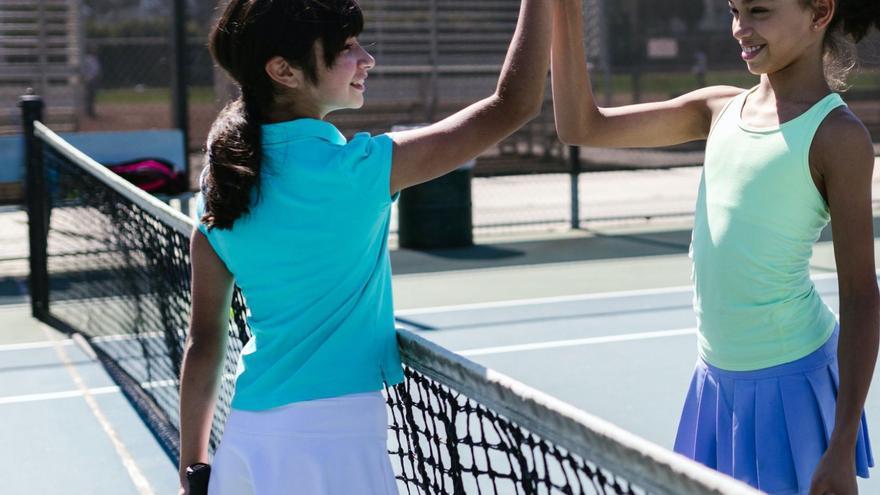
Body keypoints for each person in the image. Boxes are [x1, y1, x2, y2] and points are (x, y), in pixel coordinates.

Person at [177, 0, 553, 494]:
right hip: (336, 440)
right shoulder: (360, 171)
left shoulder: (219, 187)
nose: (366, 59)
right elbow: (513, 105)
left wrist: (192, 471)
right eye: (346, 48)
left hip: (247, 438)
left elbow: (204, 343)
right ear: (283, 71)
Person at [550, 1, 879, 494]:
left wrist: (841, 439)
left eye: (760, 11)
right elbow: (581, 126)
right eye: (734, 10)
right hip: (713, 382)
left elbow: (860, 295)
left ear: (819, 13)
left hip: (792, 383)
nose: (740, 28)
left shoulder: (838, 136)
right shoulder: (718, 109)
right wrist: (564, 13)